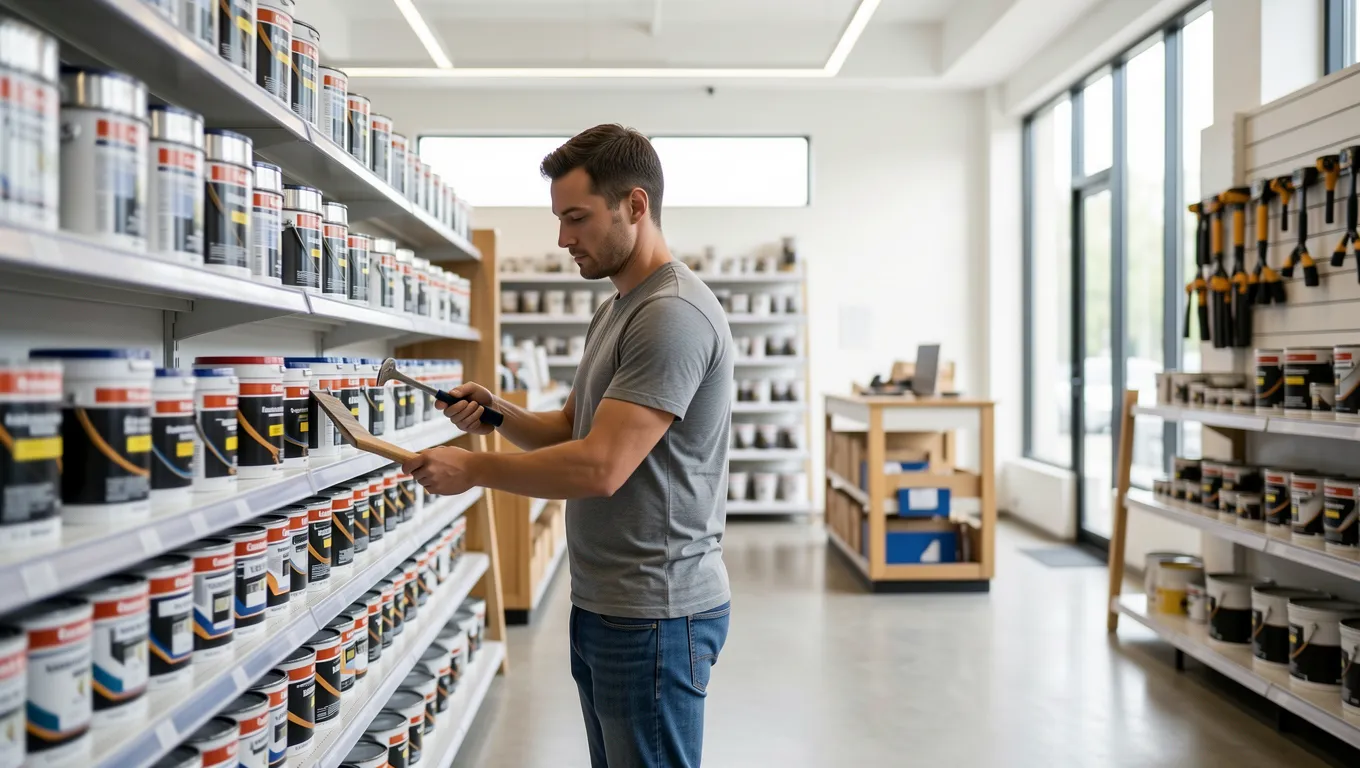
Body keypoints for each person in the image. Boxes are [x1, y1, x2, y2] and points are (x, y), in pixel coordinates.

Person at [402, 123, 733, 768]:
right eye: (559, 218)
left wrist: (474, 469)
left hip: (656, 613)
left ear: (635, 205)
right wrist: (496, 414)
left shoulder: (671, 314)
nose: (562, 238)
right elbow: (571, 429)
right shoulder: (616, 309)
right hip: (608, 602)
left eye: (576, 217)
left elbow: (601, 467)